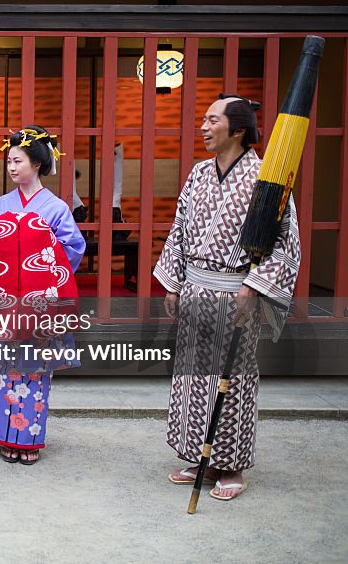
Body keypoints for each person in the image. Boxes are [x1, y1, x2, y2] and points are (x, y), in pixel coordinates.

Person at [154, 94, 300, 501]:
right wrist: (173, 282)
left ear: (237, 129)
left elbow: (285, 241)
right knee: (192, 376)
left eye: (211, 120)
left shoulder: (264, 178)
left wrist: (254, 287)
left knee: (231, 378)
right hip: (196, 287)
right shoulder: (198, 174)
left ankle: (230, 464)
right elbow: (180, 227)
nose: (203, 127)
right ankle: (200, 457)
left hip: (236, 291)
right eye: (203, 119)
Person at [0, 126, 85, 465]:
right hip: (4, 301)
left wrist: (45, 273)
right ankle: (3, 433)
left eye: (18, 161)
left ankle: (28, 437)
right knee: (2, 366)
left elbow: (72, 248)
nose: (12, 167)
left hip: (39, 302)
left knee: (34, 370)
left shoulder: (56, 208)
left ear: (37, 164)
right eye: (9, 161)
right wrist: (3, 267)